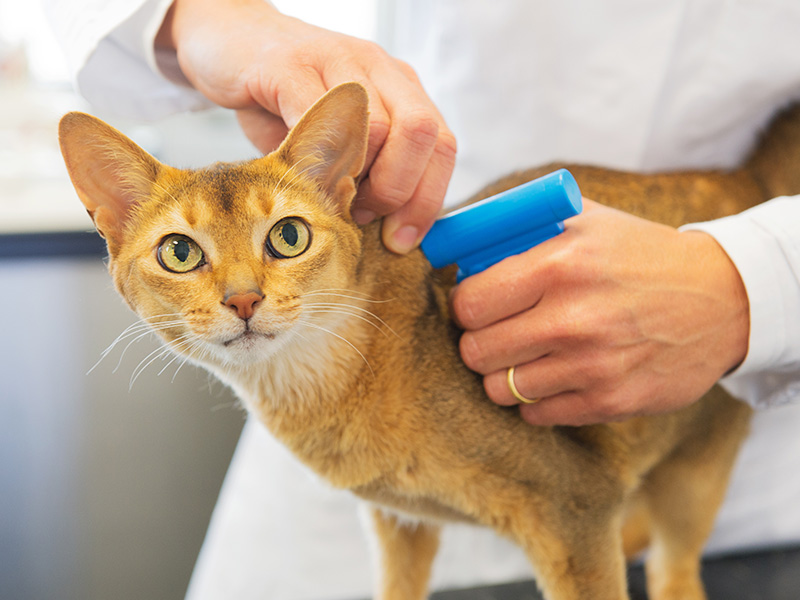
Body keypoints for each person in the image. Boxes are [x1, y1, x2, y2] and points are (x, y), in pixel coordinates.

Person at [45, 0, 800, 597]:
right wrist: (210, 15)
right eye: (182, 254)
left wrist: (756, 280)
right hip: (410, 231)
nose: (242, 295)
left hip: (744, 330)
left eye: (280, 245)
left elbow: (577, 499)